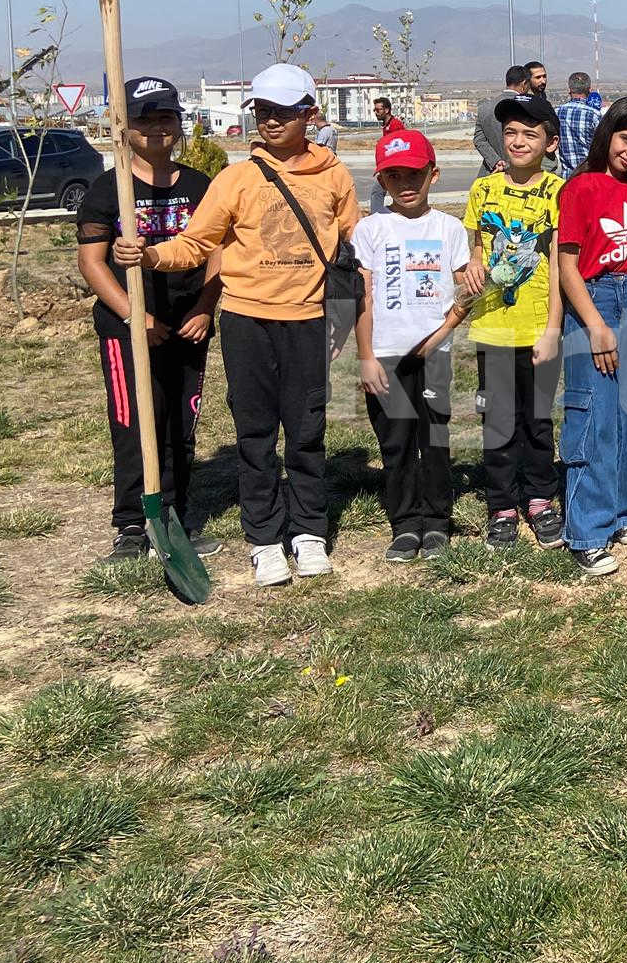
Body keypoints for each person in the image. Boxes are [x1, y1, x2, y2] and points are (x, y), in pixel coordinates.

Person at [118, 64, 360, 587]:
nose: (270, 121)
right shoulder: (236, 179)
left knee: (307, 431)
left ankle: (309, 532)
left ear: (308, 115)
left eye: (283, 112)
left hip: (311, 320)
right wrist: (150, 256)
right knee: (254, 434)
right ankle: (265, 539)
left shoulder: (335, 175)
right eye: (263, 112)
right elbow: (196, 243)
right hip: (249, 321)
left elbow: (353, 248)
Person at [75, 77, 224, 563]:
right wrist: (133, 315)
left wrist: (205, 307)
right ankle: (132, 526)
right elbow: (92, 263)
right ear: (125, 127)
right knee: (136, 423)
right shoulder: (108, 190)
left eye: (166, 117)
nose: (157, 128)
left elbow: (219, 255)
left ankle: (174, 519)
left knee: (181, 423)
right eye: (144, 118)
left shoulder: (202, 188)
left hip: (189, 324)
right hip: (127, 329)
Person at [555, 95, 627, 575]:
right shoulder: (580, 187)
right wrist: (596, 326)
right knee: (594, 412)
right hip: (595, 299)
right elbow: (566, 265)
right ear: (608, 134)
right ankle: (589, 526)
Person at [352, 128, 472, 563]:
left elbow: (467, 292)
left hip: (434, 353)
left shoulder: (449, 228)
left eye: (414, 175)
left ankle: (437, 520)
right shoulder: (369, 230)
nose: (405, 185)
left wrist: (440, 336)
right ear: (381, 181)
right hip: (384, 355)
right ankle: (404, 523)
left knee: (434, 437)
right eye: (394, 176)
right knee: (396, 441)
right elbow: (361, 298)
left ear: (433, 175)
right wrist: (366, 356)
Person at [458, 92, 566, 550]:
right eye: (510, 133)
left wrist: (554, 327)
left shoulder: (559, 192)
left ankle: (540, 497)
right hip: (493, 326)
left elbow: (561, 263)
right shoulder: (484, 189)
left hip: (538, 324)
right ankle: (501, 504)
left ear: (551, 143)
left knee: (538, 420)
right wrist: (473, 260)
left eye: (530, 134)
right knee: (499, 420)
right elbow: (474, 244)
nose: (518, 141)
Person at [474, 64, 532, 173]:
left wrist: (496, 161)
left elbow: (479, 140)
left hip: (491, 172)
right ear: (524, 84)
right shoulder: (527, 108)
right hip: (520, 174)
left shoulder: (485, 108)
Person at [556, 71, 601, 176]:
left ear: (569, 90)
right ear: (589, 90)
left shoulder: (557, 112)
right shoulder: (594, 115)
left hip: (567, 177)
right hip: (589, 176)